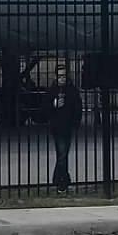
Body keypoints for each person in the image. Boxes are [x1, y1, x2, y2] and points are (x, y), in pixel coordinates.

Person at [47, 60, 83, 193]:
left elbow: (77, 107)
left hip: (68, 126)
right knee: (62, 154)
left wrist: (76, 122)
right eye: (60, 76)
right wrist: (55, 103)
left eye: (64, 76)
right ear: (56, 76)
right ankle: (62, 182)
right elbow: (45, 108)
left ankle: (59, 178)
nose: (62, 78)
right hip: (57, 127)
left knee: (63, 154)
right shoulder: (52, 90)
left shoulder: (71, 90)